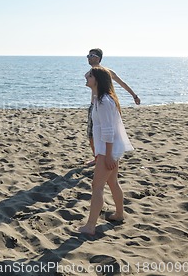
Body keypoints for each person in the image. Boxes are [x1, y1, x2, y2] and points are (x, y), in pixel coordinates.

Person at [79, 66, 134, 236]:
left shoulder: (103, 102)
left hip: (107, 150)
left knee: (97, 186)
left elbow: (108, 131)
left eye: (90, 76)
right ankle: (119, 214)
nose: (86, 77)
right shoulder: (100, 99)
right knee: (112, 182)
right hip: (107, 149)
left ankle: (90, 226)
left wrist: (108, 155)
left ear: (98, 80)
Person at [86, 48, 140, 165]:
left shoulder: (105, 72)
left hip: (103, 105)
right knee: (91, 134)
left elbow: (122, 83)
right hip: (93, 105)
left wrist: (134, 96)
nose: (89, 58)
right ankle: (97, 158)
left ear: (98, 58)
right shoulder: (91, 72)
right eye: (88, 56)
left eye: (91, 55)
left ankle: (106, 156)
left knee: (107, 132)